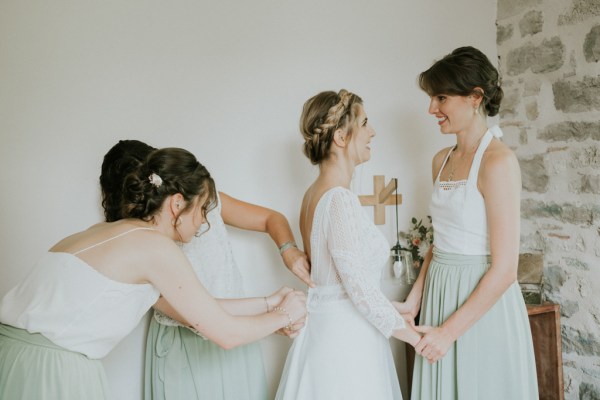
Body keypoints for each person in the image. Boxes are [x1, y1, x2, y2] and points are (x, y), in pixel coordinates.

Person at [0, 147, 307, 400]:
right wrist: (285, 314)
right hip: (53, 370)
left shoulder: (109, 232)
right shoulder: (156, 249)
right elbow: (225, 334)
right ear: (177, 204)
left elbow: (199, 309)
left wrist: (270, 302)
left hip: (12, 357)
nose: (204, 222)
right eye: (202, 209)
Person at [99, 140, 313, 400]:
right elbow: (201, 318)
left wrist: (288, 250)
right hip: (186, 348)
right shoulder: (139, 245)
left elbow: (272, 219)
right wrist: (276, 314)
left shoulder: (202, 198)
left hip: (238, 331)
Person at [396, 46, 538, 399]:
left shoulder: (498, 162)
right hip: (441, 294)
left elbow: (506, 269)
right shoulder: (440, 161)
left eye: (441, 97)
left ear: (475, 97)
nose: (432, 109)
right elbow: (440, 240)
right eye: (432, 98)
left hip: (480, 302)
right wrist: (415, 300)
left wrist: (448, 332)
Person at [275, 89, 421, 400]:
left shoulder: (313, 194)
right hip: (346, 343)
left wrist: (392, 310)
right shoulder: (338, 199)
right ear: (341, 137)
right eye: (365, 122)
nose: (372, 131)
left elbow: (335, 284)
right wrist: (415, 338)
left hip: (330, 330)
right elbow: (357, 289)